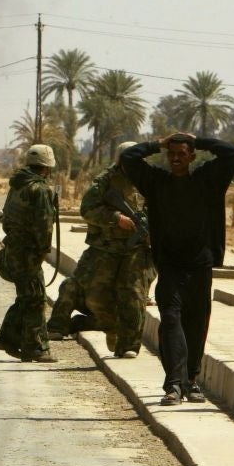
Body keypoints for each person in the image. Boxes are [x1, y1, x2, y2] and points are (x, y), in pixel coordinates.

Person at [121, 133, 234, 405]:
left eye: (182, 154)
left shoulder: (207, 181)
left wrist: (200, 139)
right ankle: (174, 384)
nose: (175, 159)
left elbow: (231, 151)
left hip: (200, 265)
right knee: (171, 319)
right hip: (170, 265)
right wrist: (158, 143)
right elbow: (128, 157)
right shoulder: (157, 183)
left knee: (196, 324)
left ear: (192, 157)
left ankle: (192, 380)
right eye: (171, 154)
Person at [46, 142, 156, 358]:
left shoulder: (150, 180)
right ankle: (93, 325)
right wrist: (116, 219)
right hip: (105, 248)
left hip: (137, 250)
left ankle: (129, 346)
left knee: (133, 295)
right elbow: (87, 209)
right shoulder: (106, 181)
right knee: (90, 292)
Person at [0, 144, 59, 363]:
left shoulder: (17, 185)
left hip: (13, 248)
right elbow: (44, 226)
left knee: (28, 296)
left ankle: (9, 341)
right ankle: (36, 348)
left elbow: (7, 219)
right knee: (35, 298)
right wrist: (42, 251)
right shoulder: (40, 189)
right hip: (28, 252)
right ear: (46, 167)